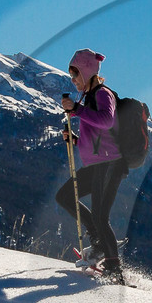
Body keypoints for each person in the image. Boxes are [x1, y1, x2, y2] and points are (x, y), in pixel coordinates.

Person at [56, 48, 126, 281]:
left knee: (99, 215)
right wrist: (75, 140)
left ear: (87, 72)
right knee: (65, 197)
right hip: (99, 164)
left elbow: (106, 121)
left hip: (111, 164)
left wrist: (76, 110)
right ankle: (97, 241)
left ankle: (115, 269)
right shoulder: (88, 97)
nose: (73, 80)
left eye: (75, 75)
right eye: (71, 76)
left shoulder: (102, 94)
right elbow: (96, 138)